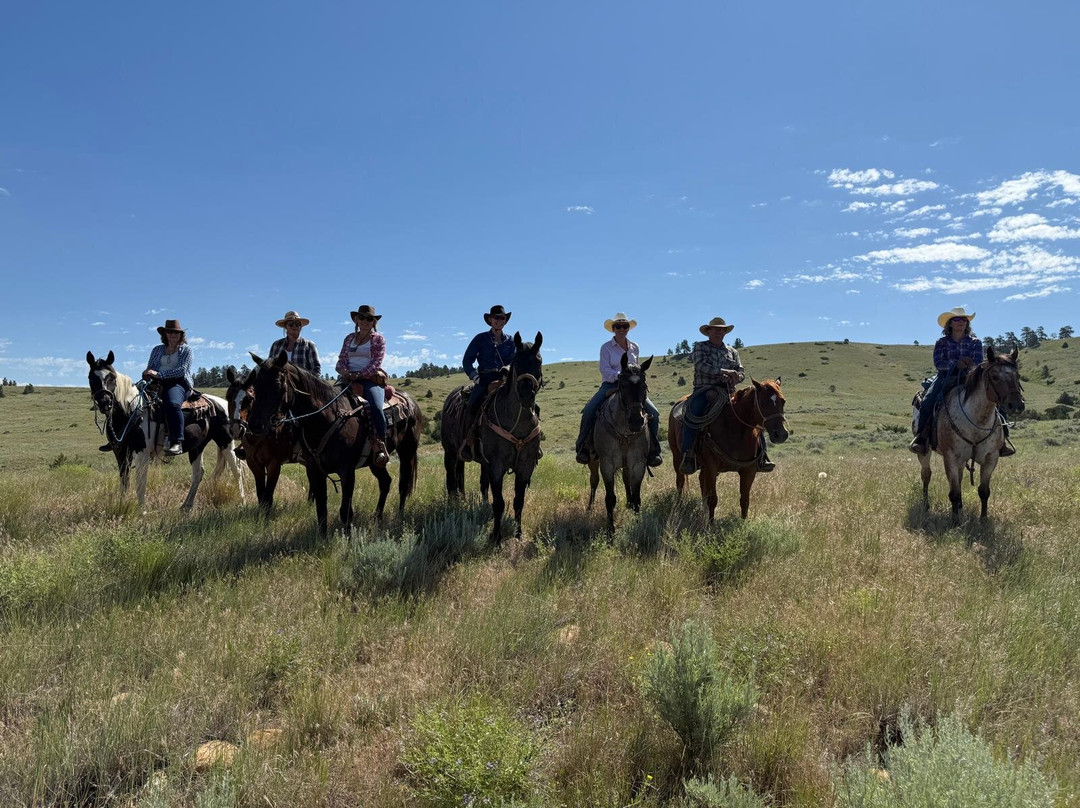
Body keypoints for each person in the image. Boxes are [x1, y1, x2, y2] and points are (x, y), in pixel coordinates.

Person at [910, 306, 1013, 456]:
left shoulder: (975, 342)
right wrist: (955, 364)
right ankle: (922, 438)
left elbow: (979, 363)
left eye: (964, 320)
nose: (961, 322)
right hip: (945, 377)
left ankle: (1003, 439)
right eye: (957, 319)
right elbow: (938, 363)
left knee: (996, 398)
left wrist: (970, 365)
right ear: (950, 324)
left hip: (970, 378)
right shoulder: (942, 342)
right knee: (927, 401)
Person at [678, 316, 775, 475]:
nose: (718, 332)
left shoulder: (732, 351)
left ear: (725, 332)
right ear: (708, 331)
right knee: (692, 415)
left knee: (754, 414)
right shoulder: (701, 347)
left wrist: (737, 377)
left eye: (721, 330)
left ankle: (762, 455)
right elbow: (701, 365)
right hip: (704, 390)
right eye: (715, 329)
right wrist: (723, 372)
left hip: (729, 391)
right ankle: (688, 455)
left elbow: (741, 371)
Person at [575, 312, 662, 467]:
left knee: (654, 413)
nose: (622, 329)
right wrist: (620, 376)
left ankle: (653, 450)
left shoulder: (635, 347)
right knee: (589, 410)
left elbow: (636, 369)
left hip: (631, 388)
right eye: (618, 326)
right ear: (613, 328)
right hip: (610, 385)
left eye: (625, 326)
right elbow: (604, 369)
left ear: (628, 328)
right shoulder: (606, 348)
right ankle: (583, 447)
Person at [459, 304, 516, 461]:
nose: (499, 320)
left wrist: (508, 368)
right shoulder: (480, 338)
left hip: (504, 380)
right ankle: (468, 440)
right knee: (472, 405)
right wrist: (474, 376)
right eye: (496, 318)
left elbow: (515, 361)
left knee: (528, 404)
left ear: (505, 321)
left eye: (502, 318)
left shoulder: (511, 341)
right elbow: (467, 361)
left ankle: (529, 444)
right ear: (490, 320)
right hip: (484, 379)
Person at [335, 304, 389, 467]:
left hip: (370, 380)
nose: (365, 321)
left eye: (369, 319)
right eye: (361, 317)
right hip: (347, 379)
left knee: (376, 407)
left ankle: (380, 446)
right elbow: (341, 359)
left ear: (373, 322)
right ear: (356, 320)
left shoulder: (378, 339)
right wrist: (344, 371)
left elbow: (376, 362)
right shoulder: (349, 338)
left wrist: (359, 374)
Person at [142, 318, 194, 456]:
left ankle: (177, 441)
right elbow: (151, 367)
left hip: (177, 383)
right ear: (165, 334)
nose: (173, 335)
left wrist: (159, 374)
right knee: (131, 398)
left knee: (172, 404)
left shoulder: (186, 350)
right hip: (156, 382)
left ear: (181, 335)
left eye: (176, 332)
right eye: (170, 332)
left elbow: (182, 370)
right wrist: (147, 373)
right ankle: (121, 437)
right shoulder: (157, 350)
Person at [269, 310, 321, 375]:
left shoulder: (309, 345)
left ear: (300, 327)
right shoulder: (276, 345)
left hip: (303, 381)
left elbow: (316, 370)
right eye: (291, 324)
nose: (294, 326)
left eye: (297, 324)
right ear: (285, 326)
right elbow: (269, 367)